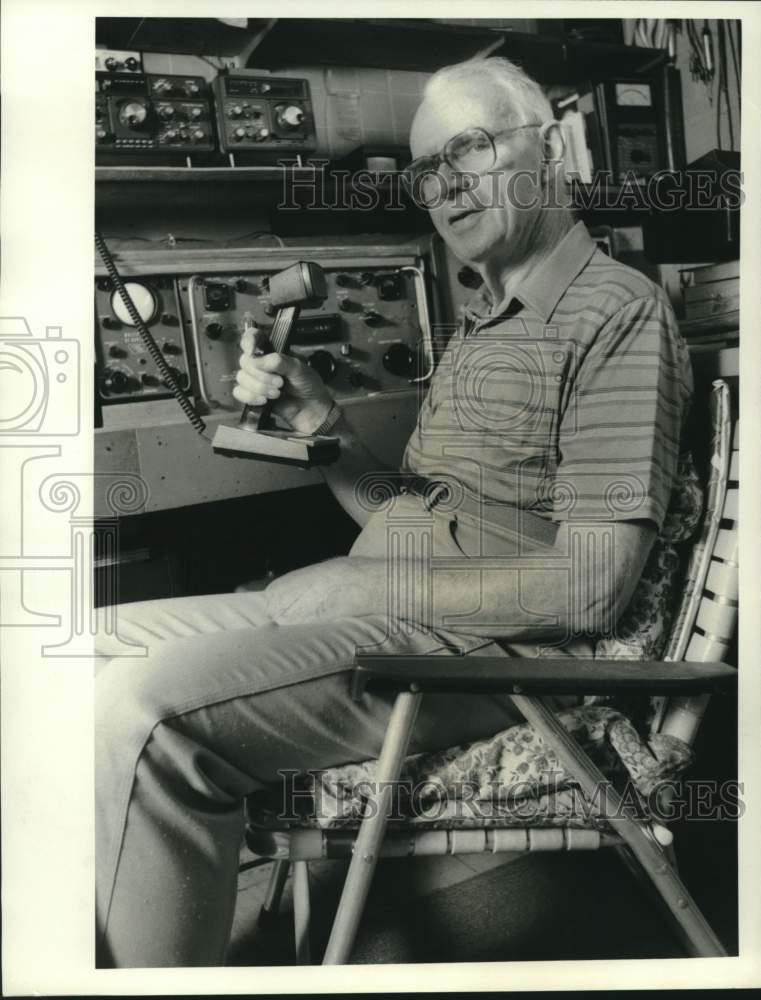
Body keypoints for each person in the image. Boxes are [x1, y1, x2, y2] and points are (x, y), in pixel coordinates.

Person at [95, 56, 692, 966]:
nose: (443, 185)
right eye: (424, 169)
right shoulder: (482, 323)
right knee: (60, 651)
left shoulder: (615, 314)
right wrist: (324, 427)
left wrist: (377, 592)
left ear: (552, 149)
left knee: (142, 715)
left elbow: (593, 588)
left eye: (470, 148)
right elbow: (405, 510)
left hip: (471, 655)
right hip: (358, 603)